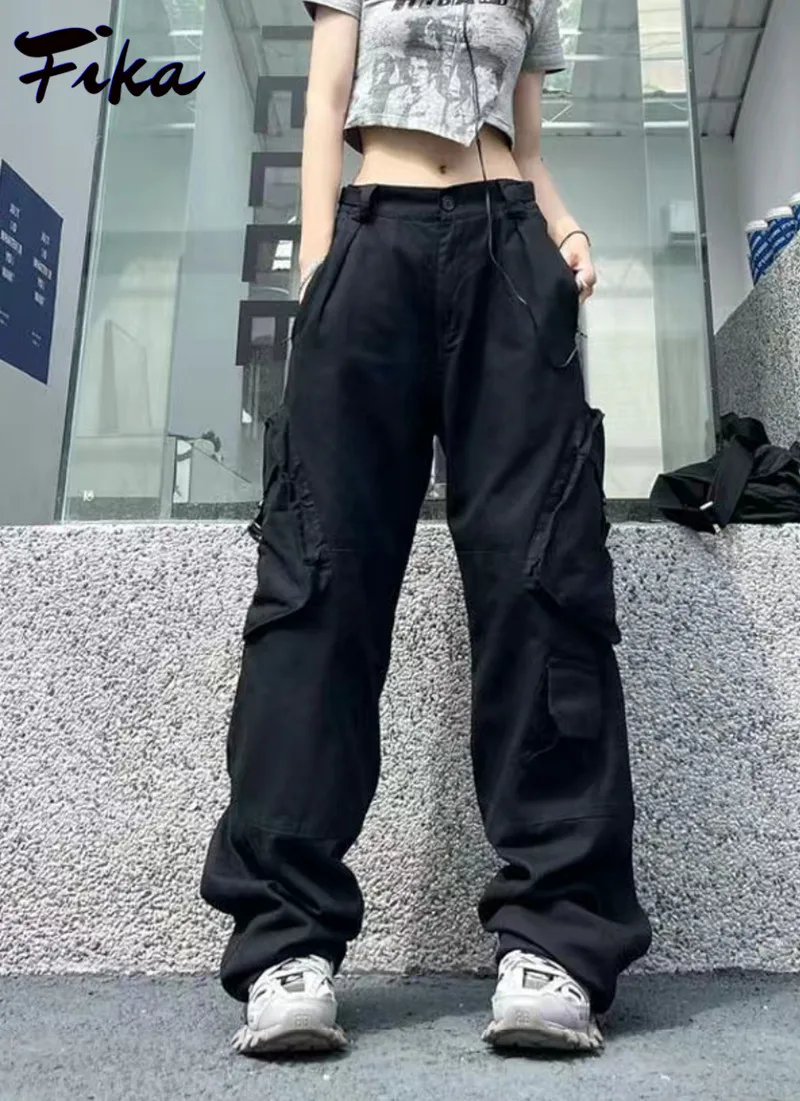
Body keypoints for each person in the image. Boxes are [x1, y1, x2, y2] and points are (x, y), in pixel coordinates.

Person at [201, 0, 652, 1058]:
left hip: (510, 252)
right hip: (372, 244)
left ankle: (555, 938)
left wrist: (567, 234)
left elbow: (525, 148)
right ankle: (286, 942)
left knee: (542, 580)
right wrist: (319, 273)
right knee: (318, 584)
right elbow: (324, 103)